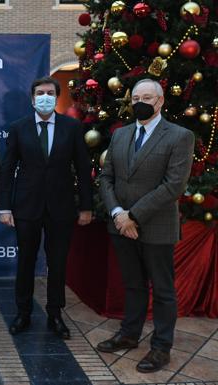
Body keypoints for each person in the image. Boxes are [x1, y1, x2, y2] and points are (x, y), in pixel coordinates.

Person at [97, 79, 194, 373]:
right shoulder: (120, 134)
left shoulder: (179, 136)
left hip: (156, 226)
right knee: (133, 285)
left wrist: (133, 216)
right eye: (136, 96)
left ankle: (161, 347)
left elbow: (173, 186)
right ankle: (129, 334)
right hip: (120, 224)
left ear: (161, 101)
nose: (141, 101)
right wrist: (117, 213)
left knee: (163, 290)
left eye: (148, 97)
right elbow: (106, 177)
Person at [0, 76, 92, 339]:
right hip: (26, 207)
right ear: (32, 98)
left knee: (58, 263)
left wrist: (86, 206)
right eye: (40, 93)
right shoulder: (19, 128)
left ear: (56, 96)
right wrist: (4, 207)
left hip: (61, 208)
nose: (45, 97)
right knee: (26, 262)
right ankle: (23, 313)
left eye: (50, 92)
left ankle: (55, 314)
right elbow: (7, 170)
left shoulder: (72, 127)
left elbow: (83, 169)